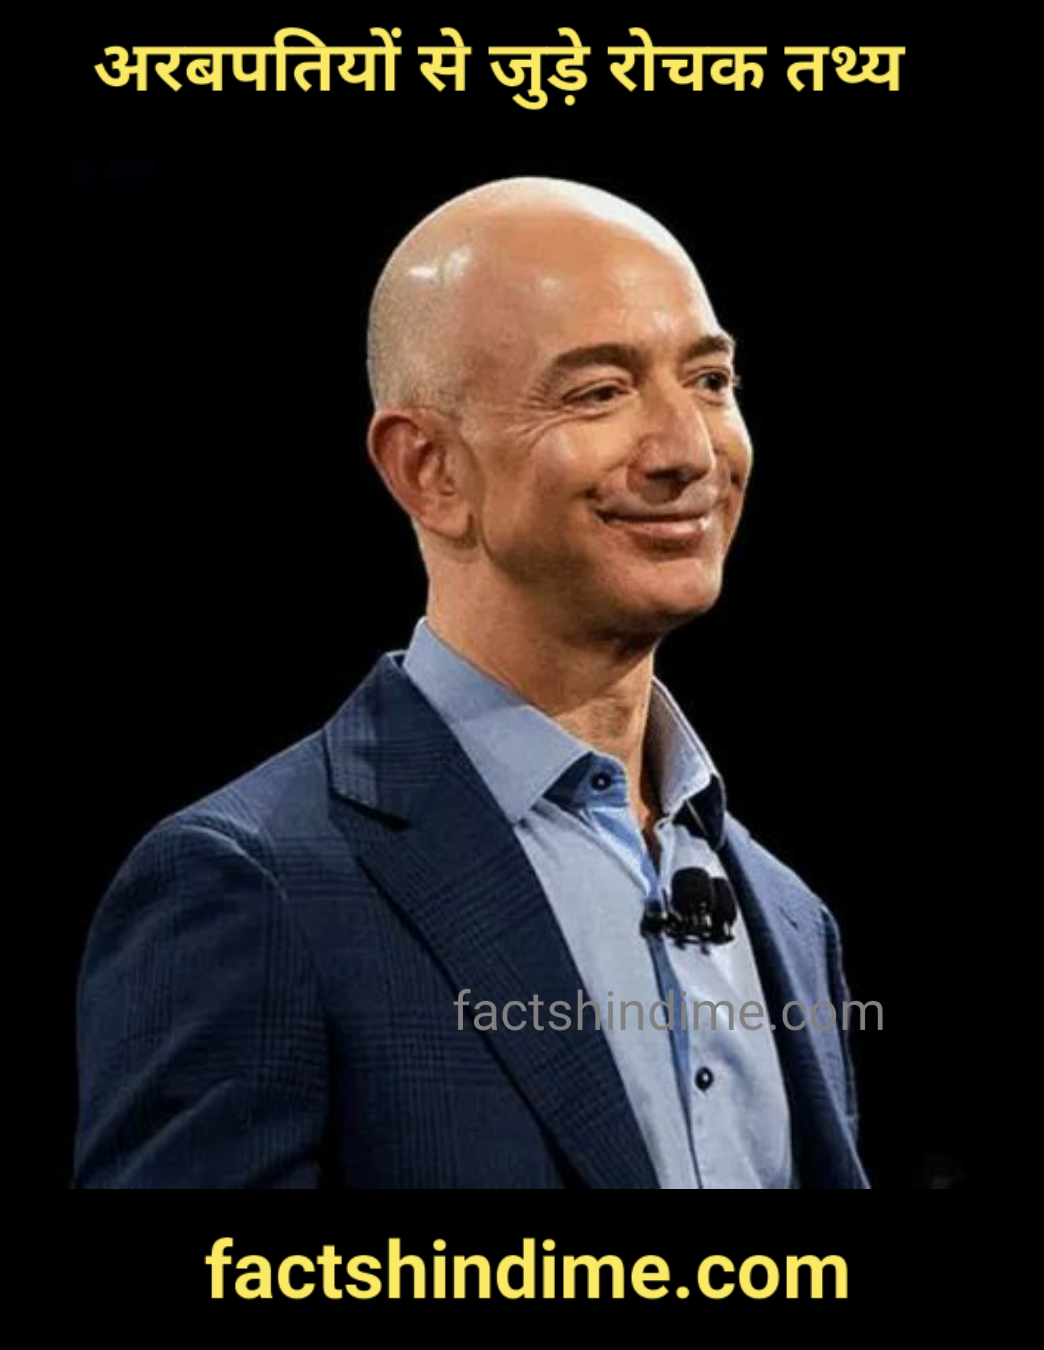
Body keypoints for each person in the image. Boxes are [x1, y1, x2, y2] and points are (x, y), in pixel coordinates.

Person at [71, 176, 869, 1189]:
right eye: (599, 392)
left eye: (710, 380)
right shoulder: (252, 886)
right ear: (430, 471)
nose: (685, 451)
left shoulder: (790, 916)